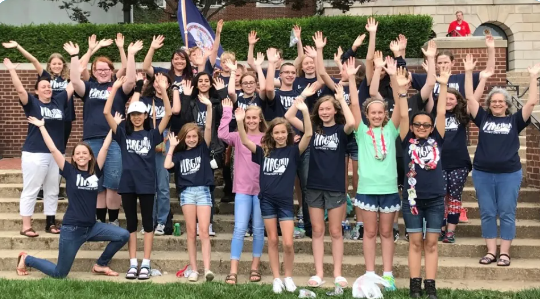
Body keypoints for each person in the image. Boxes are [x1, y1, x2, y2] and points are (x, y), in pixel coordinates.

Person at [16, 113, 129, 278]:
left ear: (90, 156)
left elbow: (105, 147)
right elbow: (53, 149)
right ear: (74, 158)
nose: (81, 156)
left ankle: (100, 264)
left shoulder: (95, 173)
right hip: (72, 229)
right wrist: (41, 127)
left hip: (92, 227)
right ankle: (27, 259)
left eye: (85, 153)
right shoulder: (69, 171)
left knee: (123, 235)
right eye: (78, 154)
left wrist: (114, 127)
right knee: (59, 273)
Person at [467, 55, 540, 267]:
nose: (497, 104)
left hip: (509, 174)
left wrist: (533, 77)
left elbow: (532, 101)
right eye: (494, 101)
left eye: (501, 101)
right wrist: (478, 77)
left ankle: (505, 253)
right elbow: (471, 99)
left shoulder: (515, 120)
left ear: (507, 104)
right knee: (487, 212)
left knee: (507, 212)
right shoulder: (483, 119)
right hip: (483, 173)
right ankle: (491, 252)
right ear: (489, 105)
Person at [236, 94, 313, 293]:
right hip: (267, 201)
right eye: (276, 132)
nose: (279, 135)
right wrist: (239, 122)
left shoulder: (293, 151)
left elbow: (308, 135)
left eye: (282, 132)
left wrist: (304, 112)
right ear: (271, 134)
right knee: (272, 240)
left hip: (285, 202)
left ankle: (288, 276)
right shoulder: (264, 152)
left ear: (287, 134)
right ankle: (276, 278)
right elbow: (244, 141)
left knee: (288, 243)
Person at [285, 83, 355, 288]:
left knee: (335, 231)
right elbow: (289, 116)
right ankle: (318, 273)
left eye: (328, 108)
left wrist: (341, 99)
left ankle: (338, 273)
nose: (325, 112)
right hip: (314, 186)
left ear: (334, 111)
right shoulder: (312, 129)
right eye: (321, 109)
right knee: (317, 230)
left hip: (335, 187)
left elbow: (352, 121)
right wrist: (302, 96)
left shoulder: (342, 130)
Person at [3, 56, 75, 237]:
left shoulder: (59, 101)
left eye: (49, 86)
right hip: (35, 153)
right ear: (36, 90)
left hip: (55, 153)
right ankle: (26, 225)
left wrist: (83, 54)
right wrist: (12, 70)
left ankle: (50, 223)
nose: (47, 88)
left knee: (52, 188)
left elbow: (74, 82)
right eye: (43, 86)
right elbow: (20, 90)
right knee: (32, 188)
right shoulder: (32, 104)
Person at [69, 37, 137, 226]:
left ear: (112, 71)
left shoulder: (117, 87)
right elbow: (75, 81)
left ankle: (113, 222)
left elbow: (131, 80)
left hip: (115, 140)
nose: (102, 72)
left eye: (106, 69)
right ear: (93, 72)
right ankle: (99, 221)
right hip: (91, 141)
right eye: (99, 70)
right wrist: (75, 56)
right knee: (97, 185)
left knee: (113, 183)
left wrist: (130, 55)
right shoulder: (89, 87)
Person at [348, 51, 401, 289]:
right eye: (373, 113)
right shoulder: (361, 131)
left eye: (381, 113)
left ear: (385, 115)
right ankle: (370, 273)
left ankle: (387, 274)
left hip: (389, 187)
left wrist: (394, 79)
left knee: (387, 233)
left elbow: (401, 106)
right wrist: (350, 79)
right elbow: (354, 105)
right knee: (369, 233)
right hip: (367, 188)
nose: (377, 116)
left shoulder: (391, 130)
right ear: (368, 116)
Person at [400, 65, 450, 299]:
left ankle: (430, 286)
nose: (421, 128)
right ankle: (414, 286)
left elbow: (440, 113)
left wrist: (444, 83)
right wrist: (401, 91)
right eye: (417, 125)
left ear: (431, 129)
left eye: (425, 125)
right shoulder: (405, 142)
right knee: (415, 242)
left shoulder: (437, 141)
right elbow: (402, 115)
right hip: (412, 200)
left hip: (435, 199)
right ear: (411, 127)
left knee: (431, 243)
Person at [164, 94, 216, 282]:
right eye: (189, 137)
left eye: (195, 136)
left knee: (204, 231)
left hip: (203, 192)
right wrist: (171, 146)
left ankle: (207, 269)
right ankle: (194, 269)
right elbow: (167, 165)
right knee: (191, 232)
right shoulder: (179, 155)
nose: (192, 139)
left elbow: (209, 127)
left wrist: (209, 107)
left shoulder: (203, 149)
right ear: (183, 138)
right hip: (186, 194)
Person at [218, 98, 266, 284]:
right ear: (244, 119)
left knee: (259, 230)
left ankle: (255, 267)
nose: (251, 121)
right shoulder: (237, 136)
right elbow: (222, 134)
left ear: (260, 119)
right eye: (248, 118)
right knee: (239, 228)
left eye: (255, 118)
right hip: (243, 189)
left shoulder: (266, 137)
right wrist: (228, 112)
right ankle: (233, 270)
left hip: (262, 190)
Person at [181, 73, 227, 237]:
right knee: (193, 186)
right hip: (192, 147)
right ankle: (194, 224)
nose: (203, 83)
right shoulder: (192, 102)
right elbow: (184, 118)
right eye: (200, 81)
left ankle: (207, 224)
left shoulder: (215, 102)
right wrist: (186, 97)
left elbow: (226, 115)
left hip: (211, 147)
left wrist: (223, 93)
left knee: (209, 187)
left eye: (207, 80)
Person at [130, 72, 176, 236]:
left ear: (169, 83)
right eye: (156, 81)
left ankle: (162, 221)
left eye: (163, 81)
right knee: (148, 186)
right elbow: (132, 108)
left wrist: (164, 91)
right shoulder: (144, 100)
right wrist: (139, 86)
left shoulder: (169, 100)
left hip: (164, 141)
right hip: (145, 140)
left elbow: (172, 113)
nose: (159, 83)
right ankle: (149, 221)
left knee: (162, 186)